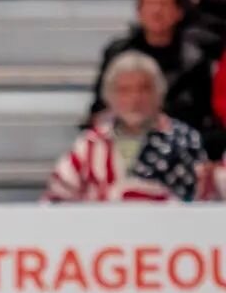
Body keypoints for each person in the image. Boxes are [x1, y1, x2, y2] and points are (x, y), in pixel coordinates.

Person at [46, 51, 214, 203]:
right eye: (124, 90)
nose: (135, 98)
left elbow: (202, 202)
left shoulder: (184, 139)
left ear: (159, 94)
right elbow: (57, 199)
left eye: (144, 89)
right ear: (109, 97)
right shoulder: (90, 143)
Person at [89, 0, 217, 154]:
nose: (157, 11)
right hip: (122, 143)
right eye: (151, 4)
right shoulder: (117, 54)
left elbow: (207, 116)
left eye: (164, 4)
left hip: (179, 149)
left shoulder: (195, 59)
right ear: (139, 11)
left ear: (178, 12)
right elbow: (99, 108)